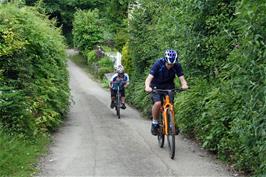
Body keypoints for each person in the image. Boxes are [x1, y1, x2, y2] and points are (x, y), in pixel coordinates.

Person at [144, 49, 188, 136]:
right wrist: (147, 87)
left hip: (169, 86)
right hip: (156, 85)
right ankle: (155, 123)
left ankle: (172, 123)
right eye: (169, 64)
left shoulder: (177, 66)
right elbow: (149, 78)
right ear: (165, 60)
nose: (170, 66)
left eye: (172, 64)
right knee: (158, 103)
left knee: (171, 104)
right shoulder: (158, 64)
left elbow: (182, 79)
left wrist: (184, 85)